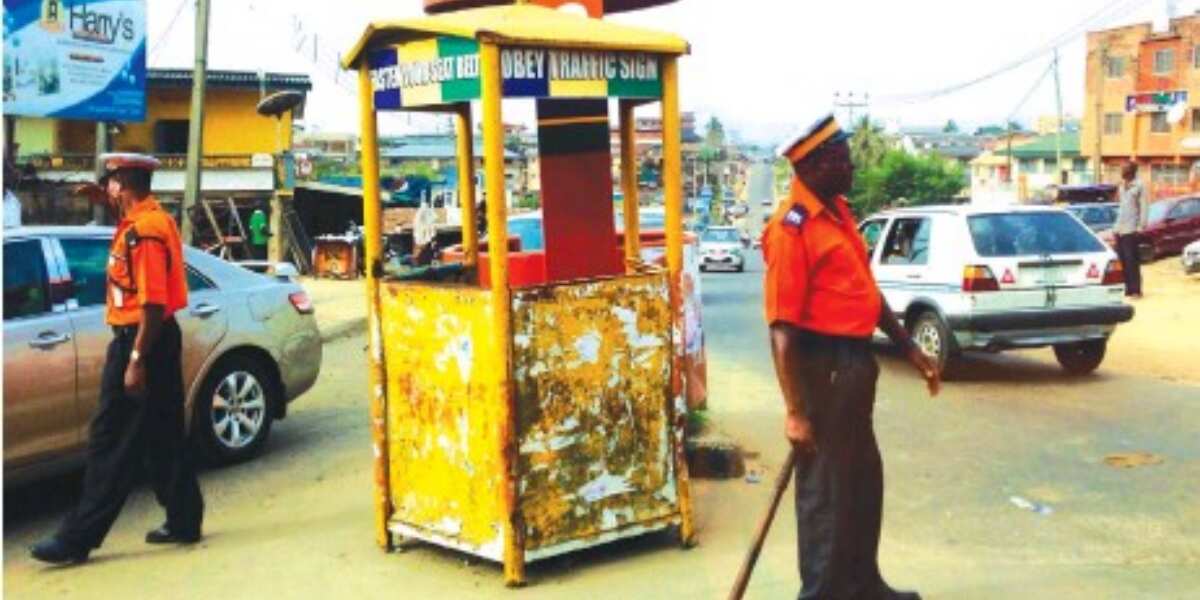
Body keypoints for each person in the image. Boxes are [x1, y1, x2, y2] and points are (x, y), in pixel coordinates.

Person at [761, 115, 941, 600]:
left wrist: (909, 348)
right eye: (842, 158)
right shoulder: (791, 229)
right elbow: (781, 330)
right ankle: (821, 592)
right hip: (823, 367)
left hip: (856, 364)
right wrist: (796, 412)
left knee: (862, 482)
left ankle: (864, 585)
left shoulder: (839, 213)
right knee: (826, 495)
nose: (852, 166)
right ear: (815, 164)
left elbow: (866, 293)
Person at [31, 153, 204, 565]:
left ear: (123, 182)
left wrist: (136, 360)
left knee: (110, 441)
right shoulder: (146, 218)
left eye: (109, 182)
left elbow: (153, 304)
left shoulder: (142, 233)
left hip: (142, 340)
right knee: (163, 435)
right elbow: (124, 211)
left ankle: (78, 538)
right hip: (153, 341)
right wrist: (101, 197)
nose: (106, 188)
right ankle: (184, 520)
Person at [1113, 162, 1146, 298]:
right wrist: (1115, 228)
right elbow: (1121, 209)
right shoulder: (1121, 186)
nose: (1122, 170)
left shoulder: (1139, 186)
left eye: (1124, 168)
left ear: (1131, 171)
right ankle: (1127, 288)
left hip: (1131, 229)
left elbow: (1144, 207)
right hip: (1119, 229)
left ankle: (1136, 290)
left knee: (1132, 260)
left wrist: (1141, 226)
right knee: (1122, 261)